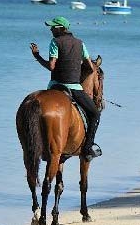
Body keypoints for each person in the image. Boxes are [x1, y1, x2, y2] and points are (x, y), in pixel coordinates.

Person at [30, 16, 102, 160]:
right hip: (74, 87)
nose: (51, 29)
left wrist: (37, 56)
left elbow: (51, 66)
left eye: (53, 27)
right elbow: (89, 67)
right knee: (95, 113)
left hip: (55, 87)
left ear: (61, 28)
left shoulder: (55, 42)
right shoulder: (80, 43)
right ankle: (88, 148)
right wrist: (75, 74)